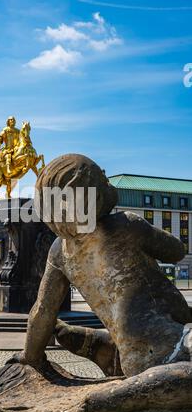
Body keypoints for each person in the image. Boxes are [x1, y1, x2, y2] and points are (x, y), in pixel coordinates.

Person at [20, 154, 192, 378]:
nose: (108, 182)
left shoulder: (59, 250)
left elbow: (42, 310)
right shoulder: (126, 225)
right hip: (171, 340)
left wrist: (30, 357)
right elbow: (176, 251)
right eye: (103, 178)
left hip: (132, 355)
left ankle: (100, 344)